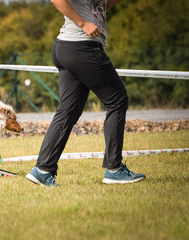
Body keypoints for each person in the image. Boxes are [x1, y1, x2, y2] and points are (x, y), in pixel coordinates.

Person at [26, 0, 145, 186]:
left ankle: (43, 170)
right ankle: (114, 169)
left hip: (68, 47)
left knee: (68, 111)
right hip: (82, 46)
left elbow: (101, 6)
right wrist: (83, 23)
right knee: (117, 100)